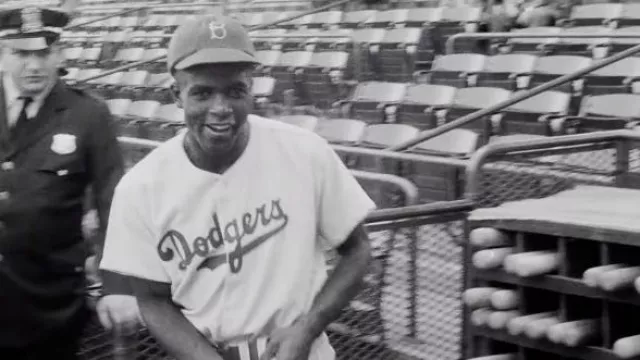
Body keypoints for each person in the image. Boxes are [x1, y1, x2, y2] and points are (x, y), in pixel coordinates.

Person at [99, 14, 375, 360]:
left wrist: (308, 328)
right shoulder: (141, 187)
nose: (220, 109)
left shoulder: (305, 152)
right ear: (176, 95)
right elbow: (152, 300)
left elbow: (358, 250)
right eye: (202, 92)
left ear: (252, 89)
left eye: (235, 91)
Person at [0, 6, 132, 360]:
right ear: (3, 54)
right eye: (21, 53)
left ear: (60, 53)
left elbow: (112, 201)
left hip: (49, 308)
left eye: (43, 53)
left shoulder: (88, 115)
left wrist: (115, 285)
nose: (34, 65)